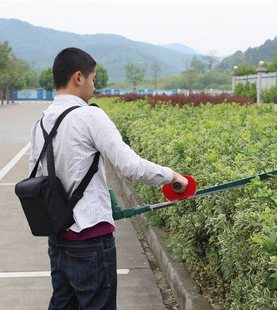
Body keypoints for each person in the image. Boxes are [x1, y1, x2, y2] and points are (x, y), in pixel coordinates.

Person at [29, 47, 188, 310]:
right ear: (78, 77)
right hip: (90, 239)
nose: (94, 85)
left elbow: (36, 178)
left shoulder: (41, 123)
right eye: (93, 78)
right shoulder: (89, 116)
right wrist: (172, 176)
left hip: (57, 239)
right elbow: (130, 166)